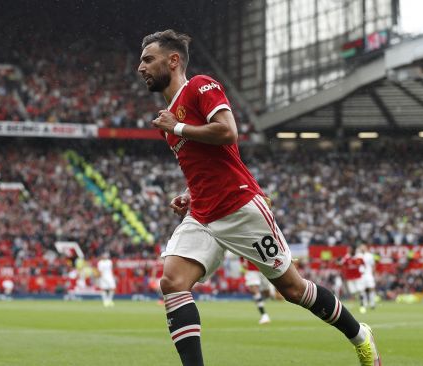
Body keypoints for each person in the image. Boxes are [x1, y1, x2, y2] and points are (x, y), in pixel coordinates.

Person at [137, 29, 380, 366]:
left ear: (173, 60)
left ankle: (360, 335)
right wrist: (189, 194)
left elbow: (227, 132)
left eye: (148, 59)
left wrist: (176, 129)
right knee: (173, 281)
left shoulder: (199, 87)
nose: (141, 67)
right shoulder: (169, 116)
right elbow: (207, 165)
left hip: (240, 208)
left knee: (294, 290)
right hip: (204, 214)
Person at [241, 257, 272, 324]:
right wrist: (242, 262)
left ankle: (260, 301)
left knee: (267, 293)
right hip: (251, 270)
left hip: (264, 269)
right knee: (254, 290)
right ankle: (264, 315)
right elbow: (239, 252)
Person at [341, 246, 369, 314]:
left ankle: (363, 304)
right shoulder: (346, 257)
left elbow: (364, 264)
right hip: (350, 278)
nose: (349, 251)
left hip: (358, 277)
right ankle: (361, 300)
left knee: (360, 290)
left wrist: (363, 271)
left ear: (354, 250)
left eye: (350, 250)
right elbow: (342, 264)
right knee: (353, 291)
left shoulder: (358, 257)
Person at [358, 245, 377, 310]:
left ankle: (372, 303)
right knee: (362, 290)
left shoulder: (370, 255)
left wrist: (373, 274)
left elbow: (373, 265)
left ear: (366, 248)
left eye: (363, 247)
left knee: (371, 288)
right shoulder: (358, 255)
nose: (362, 248)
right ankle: (364, 304)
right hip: (361, 275)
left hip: (368, 274)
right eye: (361, 247)